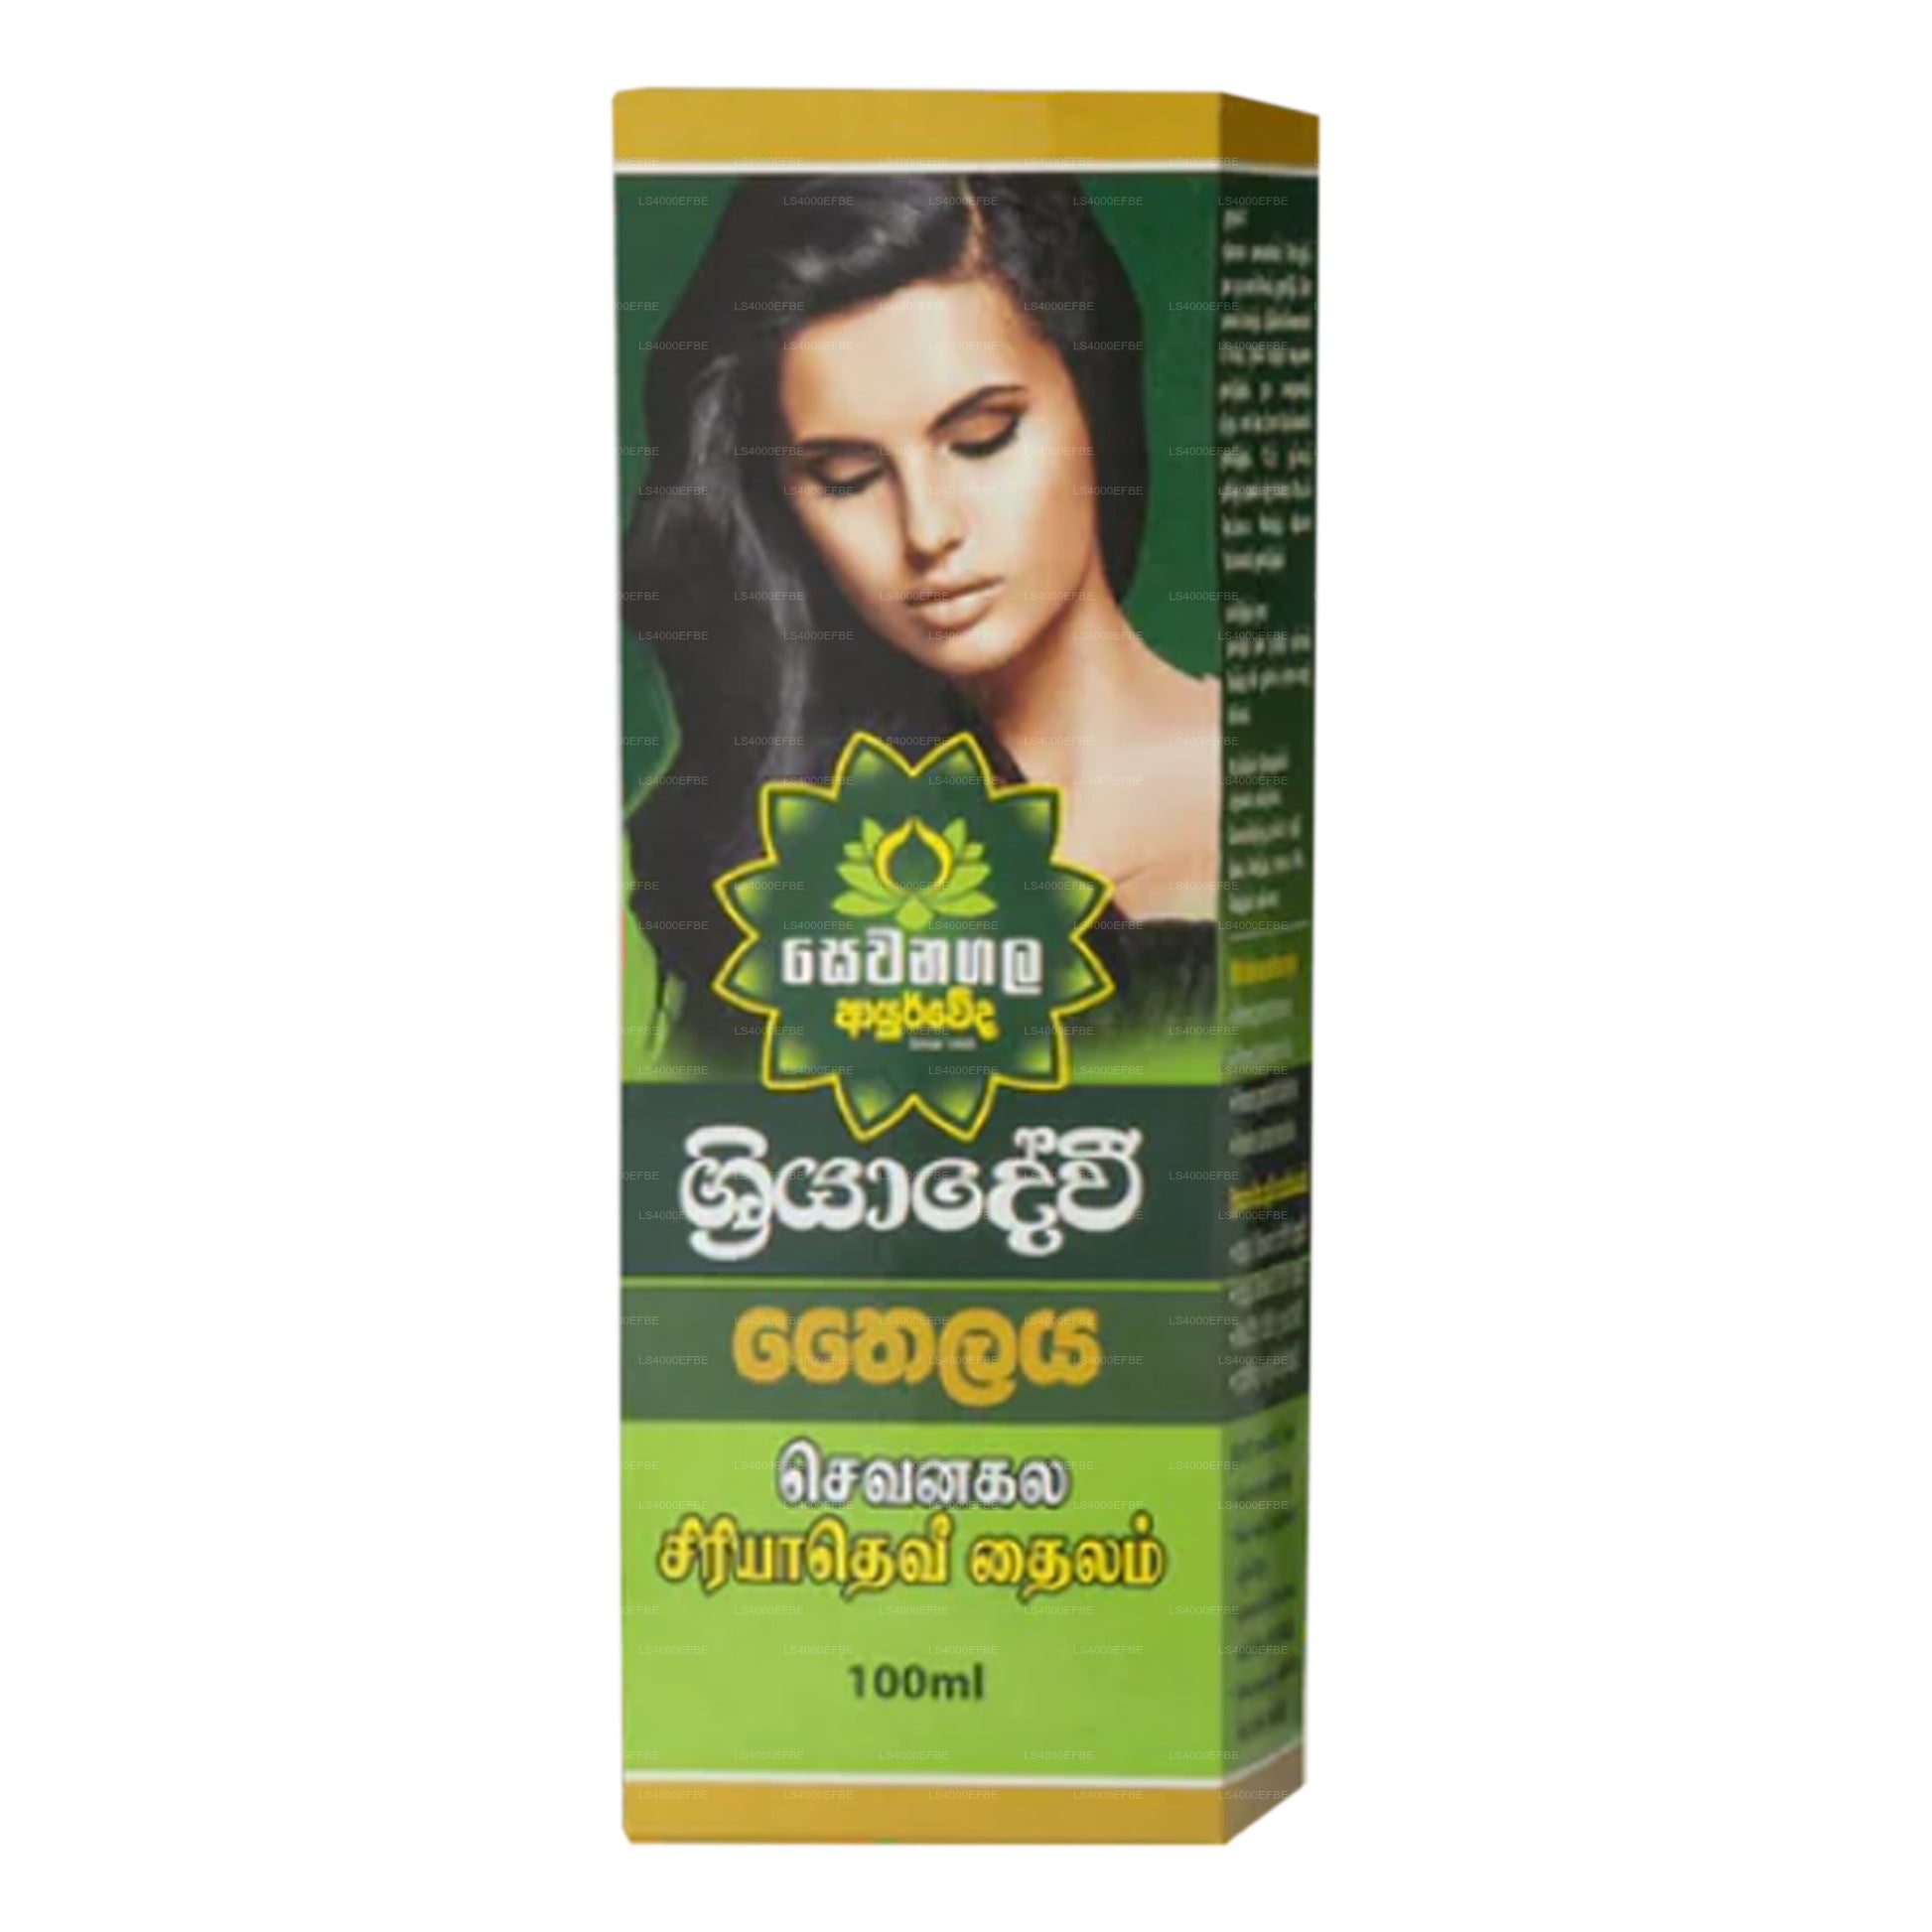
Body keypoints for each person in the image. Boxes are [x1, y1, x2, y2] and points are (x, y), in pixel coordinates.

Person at [622, 174, 1220, 1065]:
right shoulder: (739, 841)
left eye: (982, 439)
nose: (928, 530)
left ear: (1091, 395)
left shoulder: (1275, 793)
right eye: (848, 478)